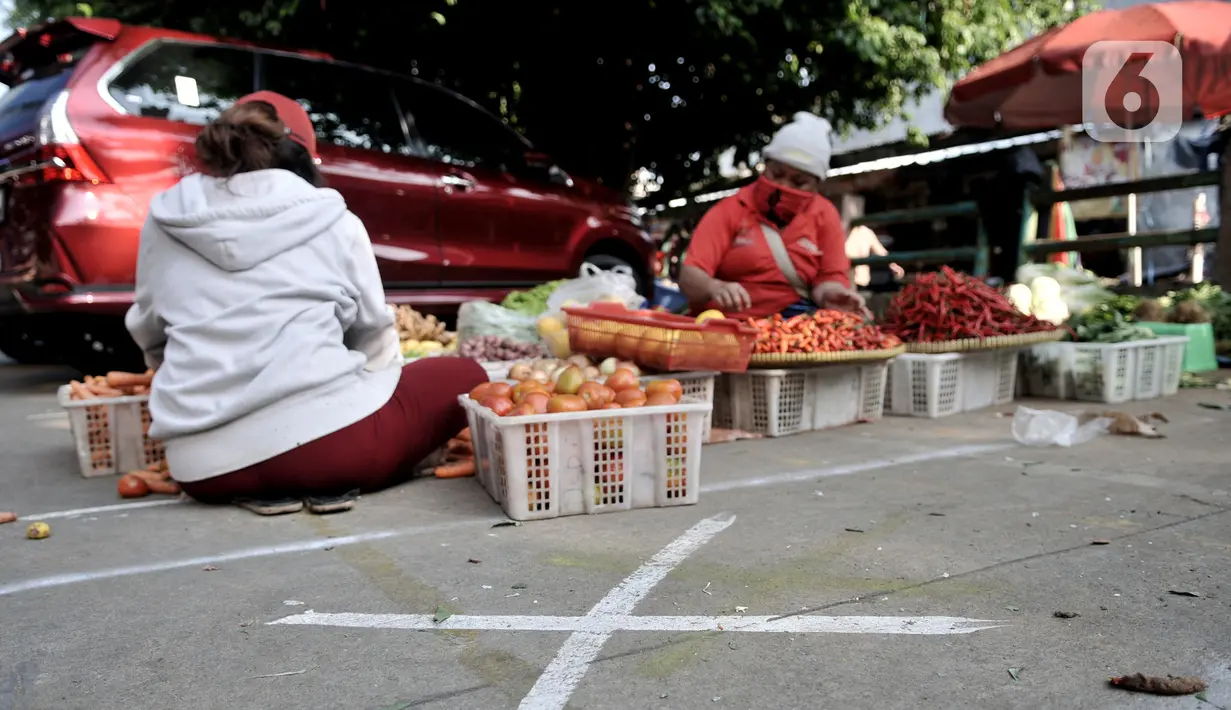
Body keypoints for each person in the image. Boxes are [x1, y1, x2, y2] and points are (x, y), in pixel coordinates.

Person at [124, 92, 487, 515]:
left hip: (204, 470)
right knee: (467, 372)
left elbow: (150, 334)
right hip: (335, 452)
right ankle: (357, 468)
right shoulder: (332, 216)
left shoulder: (165, 218)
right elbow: (373, 337)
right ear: (303, 157)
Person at [679, 112, 867, 319]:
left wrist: (833, 294)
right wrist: (713, 287)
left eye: (798, 182)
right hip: (729, 326)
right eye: (776, 174)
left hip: (796, 330)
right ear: (764, 166)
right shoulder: (730, 209)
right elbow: (691, 275)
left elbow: (829, 278)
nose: (783, 186)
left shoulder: (824, 214)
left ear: (816, 184)